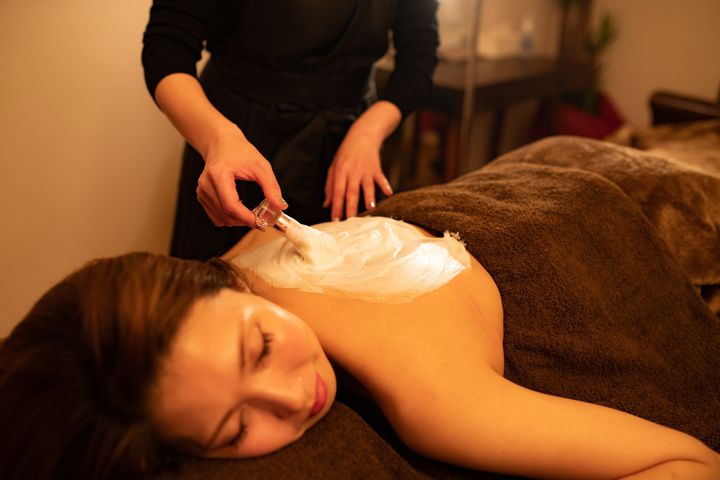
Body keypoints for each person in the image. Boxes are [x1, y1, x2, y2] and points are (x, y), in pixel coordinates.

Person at [1, 217, 719, 480]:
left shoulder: (439, 404)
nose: (293, 397)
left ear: (222, 280)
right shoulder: (239, 269)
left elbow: (689, 462)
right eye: (235, 428)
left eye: (260, 348)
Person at [141, 0, 439, 260]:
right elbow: (167, 50)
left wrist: (369, 132)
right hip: (237, 143)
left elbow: (419, 55)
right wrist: (219, 139)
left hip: (351, 148)